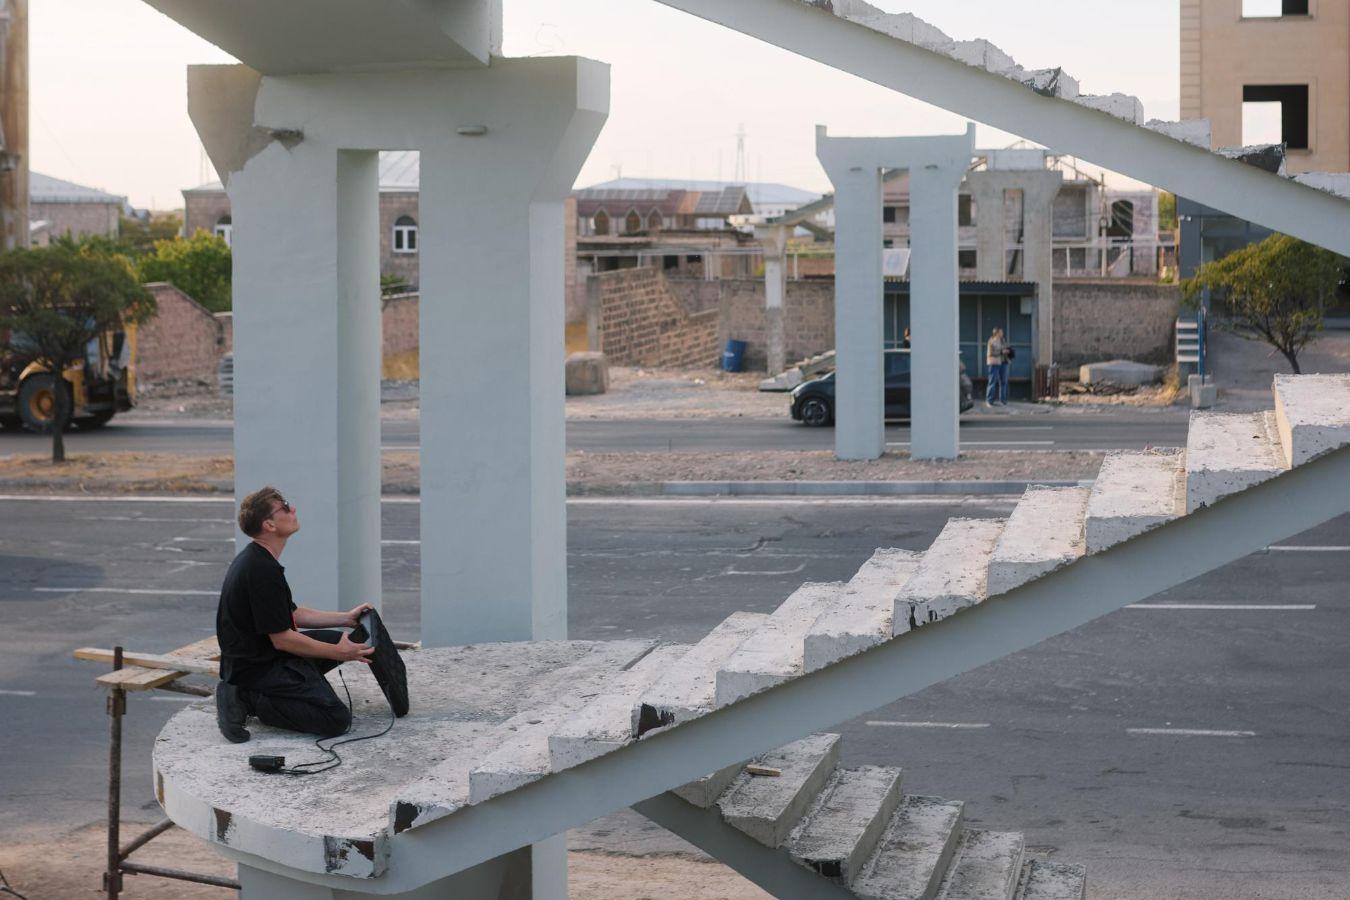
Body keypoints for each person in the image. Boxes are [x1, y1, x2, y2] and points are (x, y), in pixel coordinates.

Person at [214, 486, 380, 743]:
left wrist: (345, 618)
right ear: (269, 524)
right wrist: (339, 653)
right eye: (284, 507)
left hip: (265, 657)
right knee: (335, 720)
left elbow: (291, 614)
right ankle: (248, 697)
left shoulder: (259, 560)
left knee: (340, 641)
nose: (293, 510)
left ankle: (267, 688)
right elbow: (283, 639)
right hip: (258, 668)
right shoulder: (261, 570)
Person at [985, 327, 1008, 406]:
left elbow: (1005, 349)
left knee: (1003, 381)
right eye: (1001, 332)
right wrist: (1001, 351)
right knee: (992, 381)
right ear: (997, 333)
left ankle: (1003, 400)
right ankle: (989, 400)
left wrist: (1007, 351)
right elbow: (991, 353)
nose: (1002, 333)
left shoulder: (1003, 340)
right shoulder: (991, 341)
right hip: (994, 363)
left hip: (1003, 362)